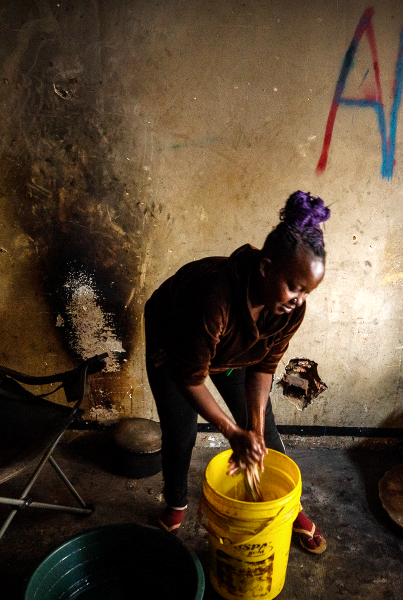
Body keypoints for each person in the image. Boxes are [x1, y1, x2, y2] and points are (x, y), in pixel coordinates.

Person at [143, 190, 330, 554]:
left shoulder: (290, 309)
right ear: (265, 268)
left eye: (307, 292)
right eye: (294, 287)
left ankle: (290, 511)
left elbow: (263, 368)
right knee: (180, 434)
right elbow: (190, 376)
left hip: (230, 353)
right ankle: (176, 502)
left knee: (266, 436)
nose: (299, 300)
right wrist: (231, 432)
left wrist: (254, 434)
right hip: (176, 347)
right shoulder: (214, 296)